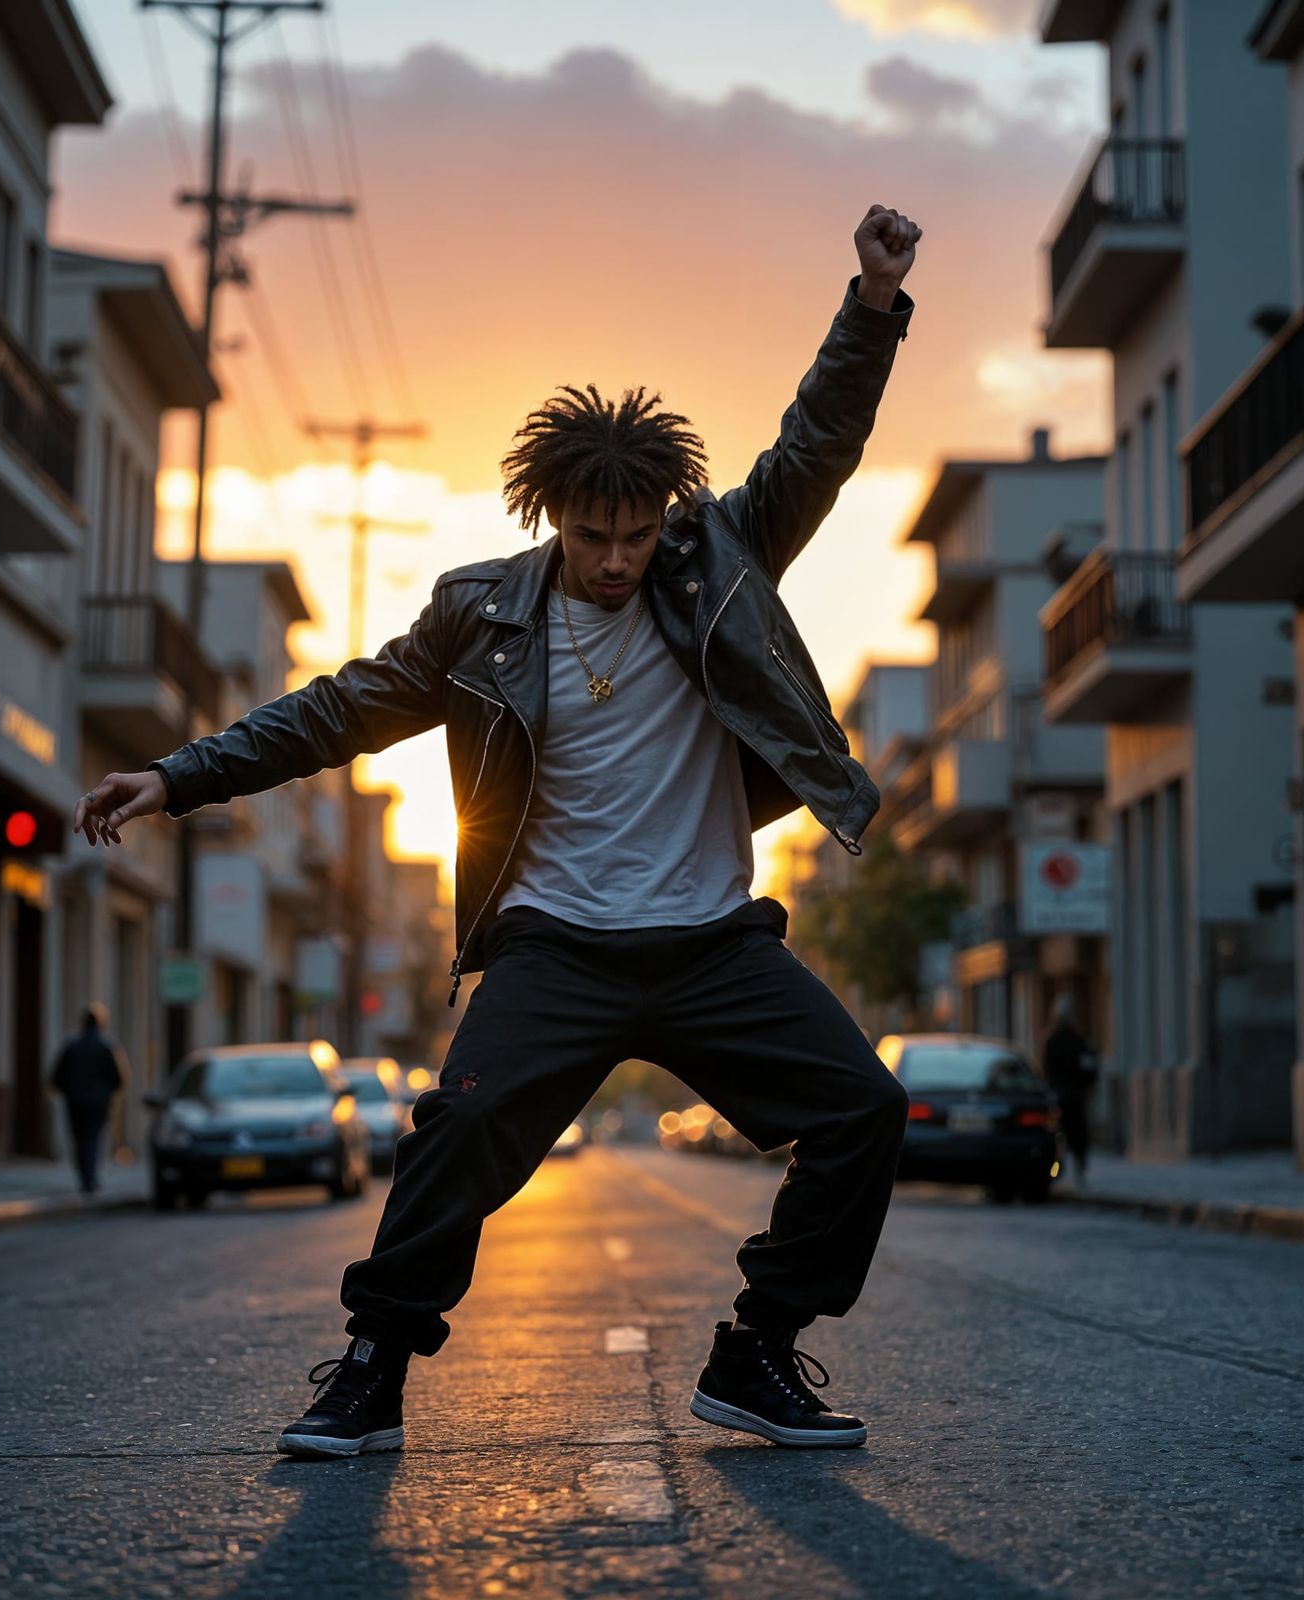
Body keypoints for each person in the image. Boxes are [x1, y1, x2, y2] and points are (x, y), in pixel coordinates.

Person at [74, 204, 923, 1457]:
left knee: (865, 1111)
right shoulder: (480, 616)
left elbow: (819, 441)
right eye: (594, 536)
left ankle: (755, 1352)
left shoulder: (724, 557)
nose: (619, 560)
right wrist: (178, 774)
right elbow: (341, 708)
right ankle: (369, 1370)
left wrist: (869, 302)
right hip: (556, 948)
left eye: (638, 535)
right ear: (550, 515)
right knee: (457, 1131)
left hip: (711, 944)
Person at [48, 1004, 127, 1196]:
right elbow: (120, 1078)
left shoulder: (72, 1045)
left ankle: (85, 1177)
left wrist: (66, 1090)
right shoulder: (106, 1046)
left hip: (75, 1101)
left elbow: (56, 1076)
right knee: (92, 1138)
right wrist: (108, 1093)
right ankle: (89, 1178)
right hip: (98, 1102)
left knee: (79, 1139)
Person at [1041, 994, 1098, 1186]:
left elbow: (1046, 1069)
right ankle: (1078, 1171)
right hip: (1074, 1094)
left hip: (1060, 1095)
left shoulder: (1053, 1039)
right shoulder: (1078, 1039)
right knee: (1077, 1136)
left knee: (1061, 1137)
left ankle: (1057, 1170)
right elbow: (1088, 1067)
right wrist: (1088, 1085)